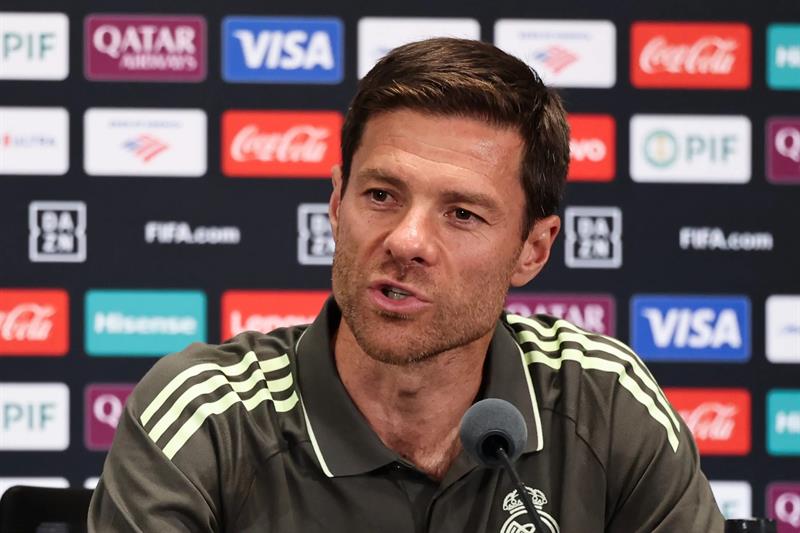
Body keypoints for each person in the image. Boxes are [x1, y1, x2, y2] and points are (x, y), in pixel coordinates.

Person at [89, 37, 724, 532]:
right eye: (381, 195)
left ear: (533, 249)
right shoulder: (207, 417)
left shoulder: (603, 403)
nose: (407, 241)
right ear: (336, 204)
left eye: (462, 214)